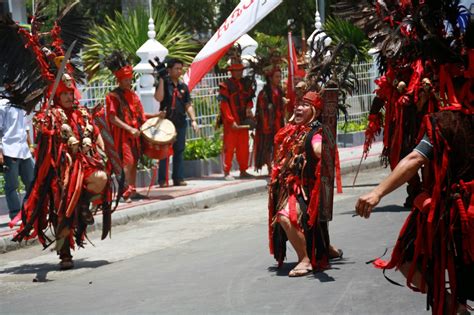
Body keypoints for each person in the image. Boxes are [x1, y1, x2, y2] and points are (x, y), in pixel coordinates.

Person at [355, 109, 473, 314]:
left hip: (457, 214)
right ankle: (453, 305)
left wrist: (377, 192)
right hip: (458, 212)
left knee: (406, 259)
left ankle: (452, 305)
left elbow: (415, 159)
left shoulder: (446, 122)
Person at [269, 91, 342, 277]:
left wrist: (324, 150)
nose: (298, 107)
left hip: (304, 189)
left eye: (304, 105)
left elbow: (319, 148)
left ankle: (305, 259)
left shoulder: (315, 133)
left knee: (285, 217)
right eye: (297, 104)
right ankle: (325, 248)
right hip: (287, 188)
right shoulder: (293, 130)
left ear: (316, 112)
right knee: (308, 223)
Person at [105, 51, 148, 201]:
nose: (129, 83)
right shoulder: (112, 96)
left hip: (135, 135)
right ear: (119, 80)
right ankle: (124, 191)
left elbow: (140, 115)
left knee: (134, 162)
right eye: (126, 80)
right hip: (123, 135)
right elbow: (112, 118)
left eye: (130, 80)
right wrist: (129, 128)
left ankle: (133, 189)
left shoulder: (134, 95)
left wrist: (157, 116)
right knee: (127, 162)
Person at [154, 58, 198, 187]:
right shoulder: (164, 83)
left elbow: (188, 104)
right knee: (164, 151)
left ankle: (178, 178)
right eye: (176, 69)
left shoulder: (183, 87)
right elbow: (159, 98)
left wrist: (194, 120)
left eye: (180, 69)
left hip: (180, 122)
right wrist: (161, 79)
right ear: (169, 70)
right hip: (166, 123)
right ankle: (162, 180)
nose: (179, 71)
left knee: (179, 150)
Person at [0, 83, 35, 222]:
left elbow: (25, 128)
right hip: (10, 150)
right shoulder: (2, 103)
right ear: (7, 85)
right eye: (13, 83)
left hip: (24, 151)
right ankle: (15, 214)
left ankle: (29, 211)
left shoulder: (20, 103)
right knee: (12, 185)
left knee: (31, 182)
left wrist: (30, 145)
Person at [218, 61, 255, 180]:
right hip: (231, 123)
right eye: (236, 70)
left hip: (243, 121)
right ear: (231, 72)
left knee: (243, 147)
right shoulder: (225, 85)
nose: (239, 73)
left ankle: (243, 170)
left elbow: (249, 99)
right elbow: (224, 105)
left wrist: (249, 107)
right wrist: (230, 120)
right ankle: (227, 171)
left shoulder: (245, 84)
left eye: (240, 70)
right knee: (229, 147)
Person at [254, 67, 285, 173]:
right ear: (270, 78)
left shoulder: (280, 91)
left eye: (280, 76)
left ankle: (277, 164)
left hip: (278, 122)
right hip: (267, 124)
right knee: (267, 146)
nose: (279, 79)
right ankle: (269, 166)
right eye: (277, 77)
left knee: (278, 145)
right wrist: (265, 125)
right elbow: (261, 110)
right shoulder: (264, 93)